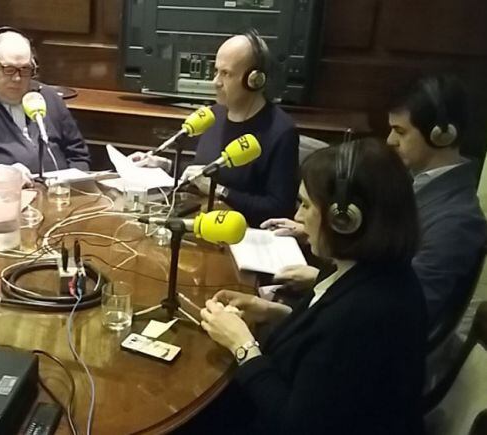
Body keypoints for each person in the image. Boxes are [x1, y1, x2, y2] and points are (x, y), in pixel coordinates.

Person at [192, 140, 426, 434]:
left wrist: (242, 346)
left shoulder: (367, 313)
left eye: (304, 204)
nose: (298, 217)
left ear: (344, 220)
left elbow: (297, 423)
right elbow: (324, 347)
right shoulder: (370, 271)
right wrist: (274, 312)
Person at [265, 75, 486, 336]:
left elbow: (407, 309)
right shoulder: (413, 181)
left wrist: (323, 280)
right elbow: (382, 247)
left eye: (401, 131)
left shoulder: (457, 220)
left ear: (442, 135)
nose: (390, 140)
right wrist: (326, 228)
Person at [135, 30, 299, 227]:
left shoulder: (281, 131)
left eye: (226, 74)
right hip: (201, 223)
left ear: (254, 80)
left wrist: (220, 190)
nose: (215, 82)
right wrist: (167, 166)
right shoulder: (214, 115)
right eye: (216, 71)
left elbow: (279, 209)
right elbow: (204, 173)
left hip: (241, 235)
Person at [0, 27, 91, 185]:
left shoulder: (48, 97)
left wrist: (76, 186)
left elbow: (78, 154)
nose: (17, 78)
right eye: (8, 70)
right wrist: (3, 174)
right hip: (6, 197)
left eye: (25, 70)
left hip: (61, 196)